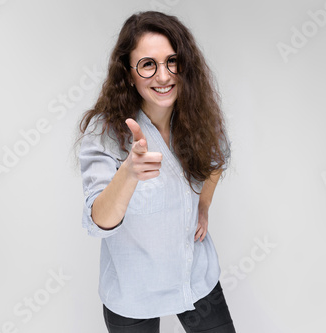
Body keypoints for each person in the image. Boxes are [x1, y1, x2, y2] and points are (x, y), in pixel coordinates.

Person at [77, 10, 235, 333]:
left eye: (172, 61)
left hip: (194, 280)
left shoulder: (198, 115)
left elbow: (217, 159)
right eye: (148, 64)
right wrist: (129, 173)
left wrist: (202, 206)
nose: (163, 76)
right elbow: (98, 221)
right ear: (128, 72)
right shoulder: (105, 132)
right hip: (132, 292)